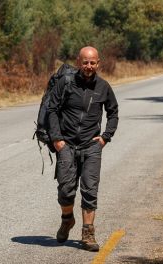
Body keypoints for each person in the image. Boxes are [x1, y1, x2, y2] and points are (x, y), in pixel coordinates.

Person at [47, 46, 119, 251]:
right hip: (66, 145)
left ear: (98, 63)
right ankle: (67, 219)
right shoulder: (66, 83)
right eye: (85, 62)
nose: (89, 66)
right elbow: (52, 109)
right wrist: (57, 139)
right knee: (66, 190)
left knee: (90, 190)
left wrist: (105, 137)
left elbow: (113, 113)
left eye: (92, 62)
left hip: (91, 146)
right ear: (79, 62)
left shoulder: (104, 87)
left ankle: (88, 233)